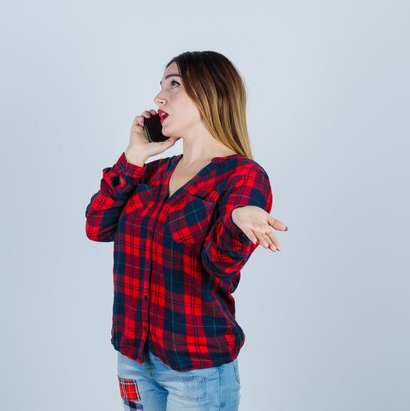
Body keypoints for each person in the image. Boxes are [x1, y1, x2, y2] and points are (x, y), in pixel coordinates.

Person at [85, 51, 288, 411]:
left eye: (174, 84)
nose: (159, 98)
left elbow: (220, 265)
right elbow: (97, 226)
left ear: (211, 93)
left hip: (197, 372)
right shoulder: (151, 173)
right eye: (160, 86)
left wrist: (238, 221)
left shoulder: (243, 176)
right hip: (133, 359)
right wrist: (134, 157)